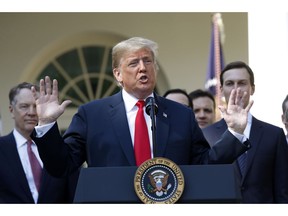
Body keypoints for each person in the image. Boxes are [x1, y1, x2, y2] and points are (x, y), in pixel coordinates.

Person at [31, 37, 253, 189]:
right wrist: (47, 125)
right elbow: (62, 167)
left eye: (148, 61)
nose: (142, 68)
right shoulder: (92, 115)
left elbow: (205, 165)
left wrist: (235, 133)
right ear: (117, 74)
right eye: (134, 63)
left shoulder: (181, 115)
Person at [202, 61, 288, 203]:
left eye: (242, 83)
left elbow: (282, 190)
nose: (236, 89)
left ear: (252, 88)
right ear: (221, 90)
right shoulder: (206, 134)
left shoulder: (274, 135)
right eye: (230, 84)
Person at [0, 82, 78, 203]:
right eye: (24, 106)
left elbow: (72, 195)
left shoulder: (59, 150)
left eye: (36, 106)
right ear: (11, 110)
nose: (31, 112)